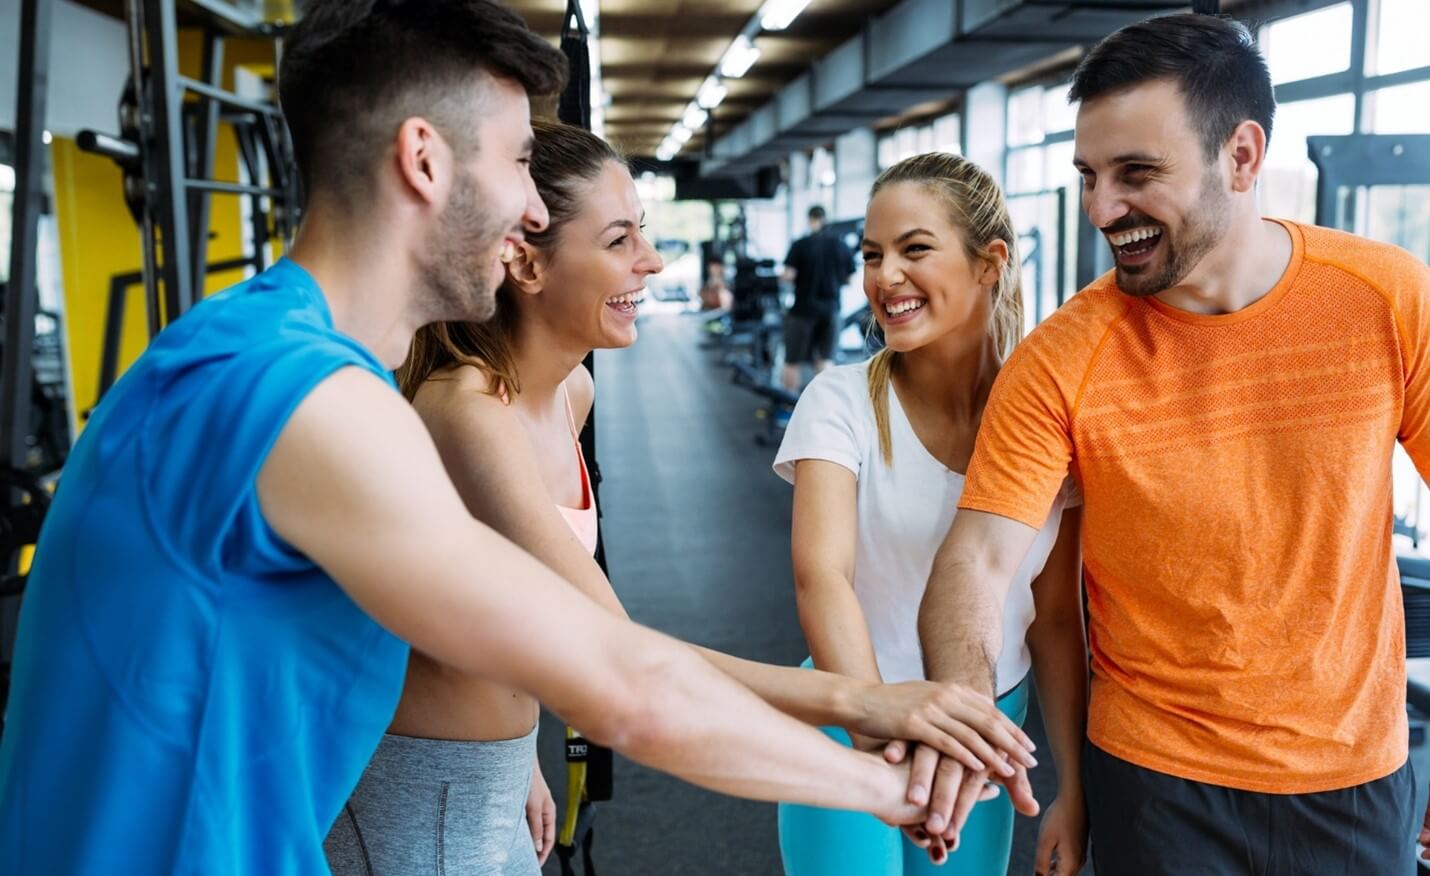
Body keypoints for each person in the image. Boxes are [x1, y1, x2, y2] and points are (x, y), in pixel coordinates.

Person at [0, 2, 1037, 872]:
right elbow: (626, 684)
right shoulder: (309, 400)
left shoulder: (257, 351)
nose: (531, 204)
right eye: (513, 162)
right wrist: (881, 782)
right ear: (422, 161)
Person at [327, 119, 1041, 876]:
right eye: (618, 241)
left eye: (644, 231)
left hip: (495, 769)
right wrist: (860, 711)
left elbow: (501, 609)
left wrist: (523, 757)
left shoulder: (571, 392)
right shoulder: (466, 413)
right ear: (526, 263)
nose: (653, 260)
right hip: (423, 790)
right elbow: (621, 658)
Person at [915, 13, 1430, 875]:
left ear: (1242, 156)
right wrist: (963, 707)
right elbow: (975, 561)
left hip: (1355, 774)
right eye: (1088, 175)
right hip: (1156, 781)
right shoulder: (1064, 357)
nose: (1102, 208)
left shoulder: (1386, 299)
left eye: (1137, 174)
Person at [774, 153, 1087, 876]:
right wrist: (883, 728)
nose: (885, 278)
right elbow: (823, 579)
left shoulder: (1048, 421)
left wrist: (1072, 787)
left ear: (989, 263)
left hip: (989, 727)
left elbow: (1057, 616)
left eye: (915, 249)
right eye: (873, 255)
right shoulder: (841, 401)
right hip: (857, 714)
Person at [782, 205, 856, 392]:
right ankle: (821, 410)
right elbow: (849, 279)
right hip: (831, 310)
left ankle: (786, 408)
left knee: (792, 361)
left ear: (810, 219)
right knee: (825, 361)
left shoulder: (800, 244)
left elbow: (788, 275)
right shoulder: (841, 245)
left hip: (802, 310)